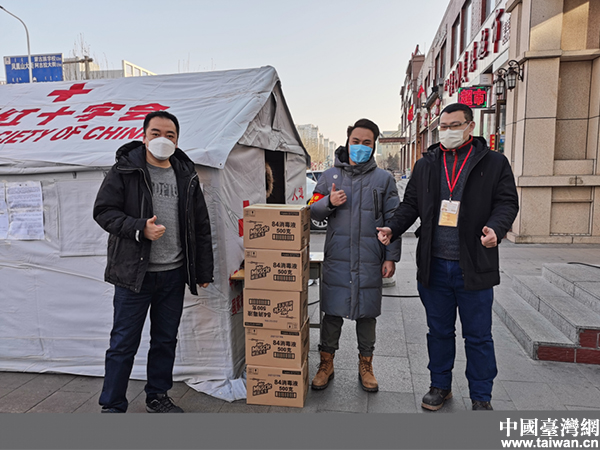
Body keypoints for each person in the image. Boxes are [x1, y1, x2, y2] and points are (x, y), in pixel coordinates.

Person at [377, 103, 518, 411]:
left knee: (478, 336)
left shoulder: (493, 162)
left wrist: (496, 228)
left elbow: (507, 202)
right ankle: (440, 386)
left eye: (455, 125)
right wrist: (393, 228)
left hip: (474, 265)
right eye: (443, 126)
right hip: (435, 265)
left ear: (470, 126)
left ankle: (481, 396)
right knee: (439, 332)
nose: (448, 131)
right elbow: (410, 204)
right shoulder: (427, 164)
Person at [93, 110, 214, 413]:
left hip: (173, 273)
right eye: (156, 133)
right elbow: (103, 211)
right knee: (123, 342)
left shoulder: (186, 174)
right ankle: (112, 404)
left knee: (165, 340)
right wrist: (139, 228)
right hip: (133, 274)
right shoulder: (125, 170)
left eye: (170, 135)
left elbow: (200, 226)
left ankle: (157, 395)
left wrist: (202, 270)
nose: (163, 139)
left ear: (177, 140)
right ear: (144, 137)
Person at [309, 118, 401, 392]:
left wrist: (390, 257)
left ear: (374, 146)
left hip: (370, 257)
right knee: (332, 312)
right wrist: (328, 202)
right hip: (338, 256)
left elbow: (394, 219)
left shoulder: (384, 179)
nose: (360, 147)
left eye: (366, 143)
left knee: (367, 313)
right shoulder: (329, 176)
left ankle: (366, 365)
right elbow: (312, 211)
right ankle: (326, 363)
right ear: (348, 142)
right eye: (356, 141)